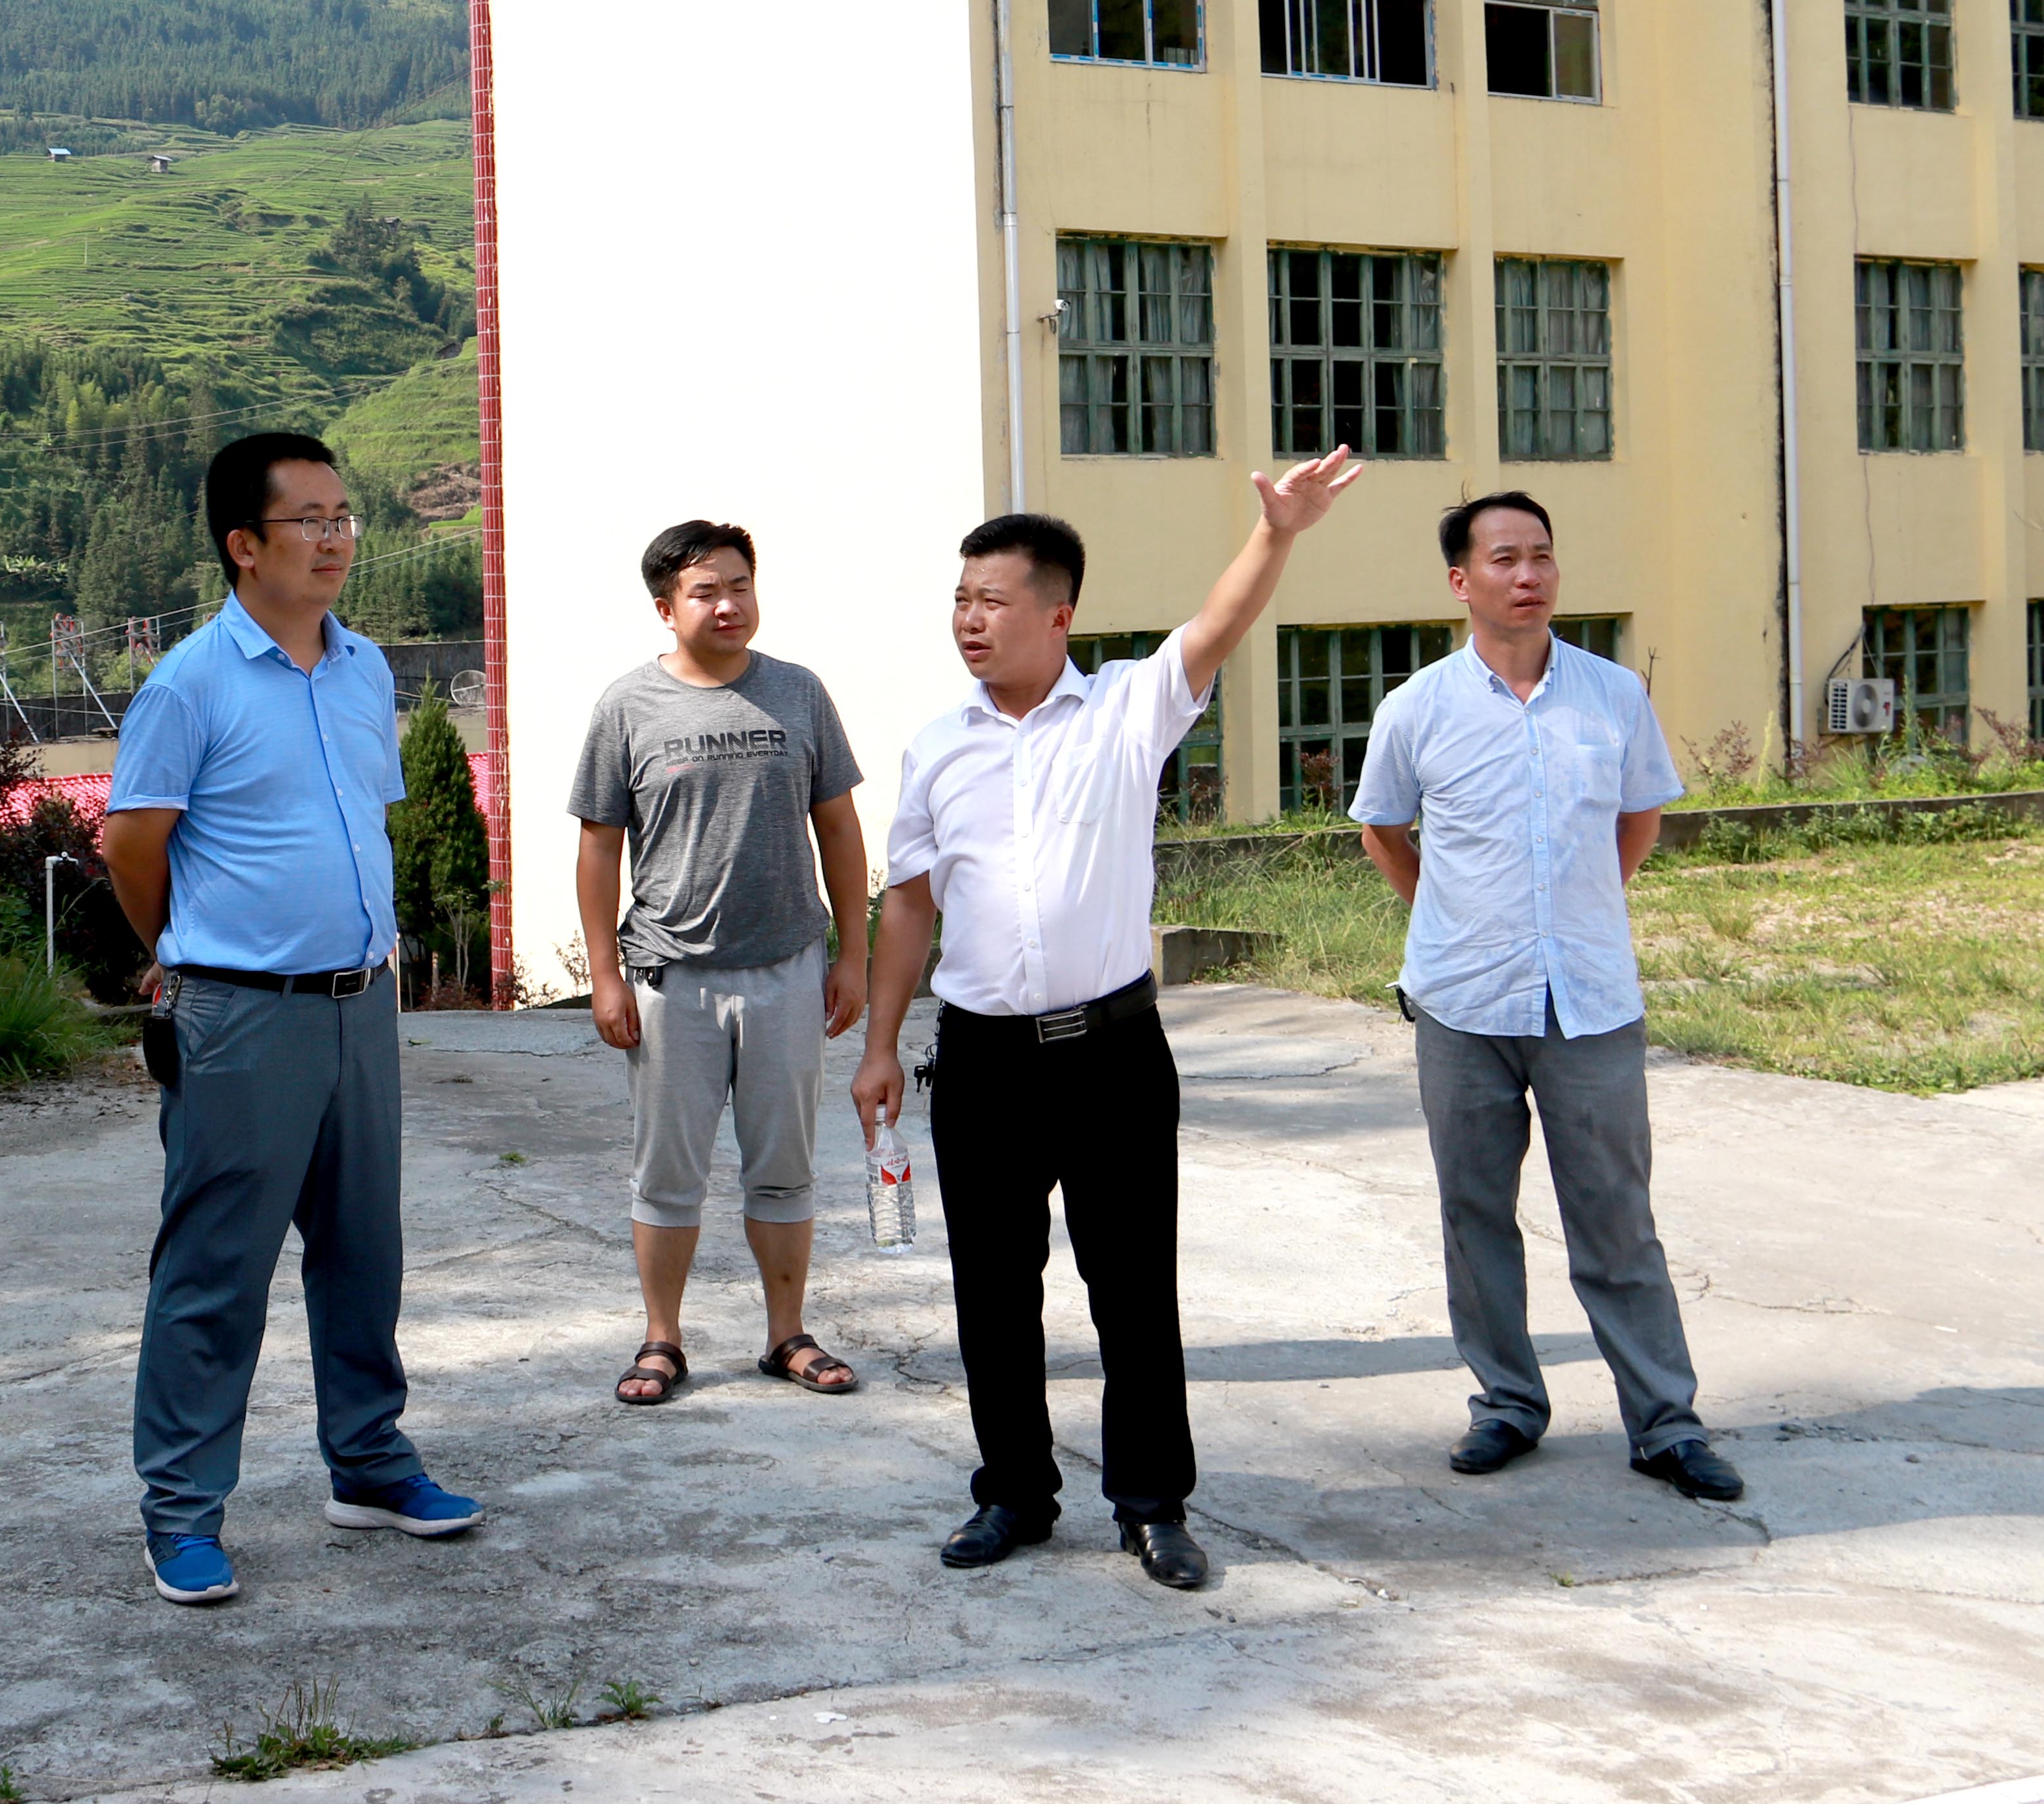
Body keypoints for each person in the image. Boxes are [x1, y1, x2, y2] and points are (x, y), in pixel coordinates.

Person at [854, 449, 1365, 1590]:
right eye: (959, 600)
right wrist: (881, 1045)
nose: (968, 621)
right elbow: (908, 906)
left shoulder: (1129, 708)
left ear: (1057, 612)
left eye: (990, 600)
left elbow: (1219, 623)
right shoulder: (937, 746)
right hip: (980, 1059)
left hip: (1114, 1054)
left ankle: (1151, 1504)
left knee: (1132, 1287)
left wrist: (1277, 532)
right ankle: (1014, 1497)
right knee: (992, 1294)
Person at [103, 431, 482, 1610]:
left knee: (363, 1252)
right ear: (243, 545)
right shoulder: (189, 684)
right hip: (241, 1016)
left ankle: (367, 1463)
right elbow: (131, 846)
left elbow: (358, 826)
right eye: (308, 520)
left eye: (343, 516)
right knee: (216, 1269)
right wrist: (190, 955)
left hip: (361, 1004)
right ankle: (181, 1510)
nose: (334, 539)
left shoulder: (365, 668)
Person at [1347, 492, 1743, 1502]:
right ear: (1460, 581)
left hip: (1589, 1004)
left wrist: (1572, 911)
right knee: (1474, 1212)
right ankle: (1507, 1405)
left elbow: (1637, 821)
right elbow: (1384, 831)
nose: (1527, 576)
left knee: (1615, 1216)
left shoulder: (1611, 696)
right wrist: (1456, 917)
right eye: (1504, 559)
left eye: (1541, 557)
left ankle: (1664, 1423)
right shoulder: (1416, 709)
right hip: (1460, 1005)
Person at [571, 521, 872, 1406]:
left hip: (785, 968)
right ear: (666, 609)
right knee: (668, 1172)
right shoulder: (627, 707)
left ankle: (787, 1335)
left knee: (784, 1165)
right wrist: (602, 972)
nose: (728, 604)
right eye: (706, 591)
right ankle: (661, 1340)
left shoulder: (798, 694)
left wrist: (852, 954)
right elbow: (597, 849)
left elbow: (840, 832)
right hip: (671, 977)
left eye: (739, 585)